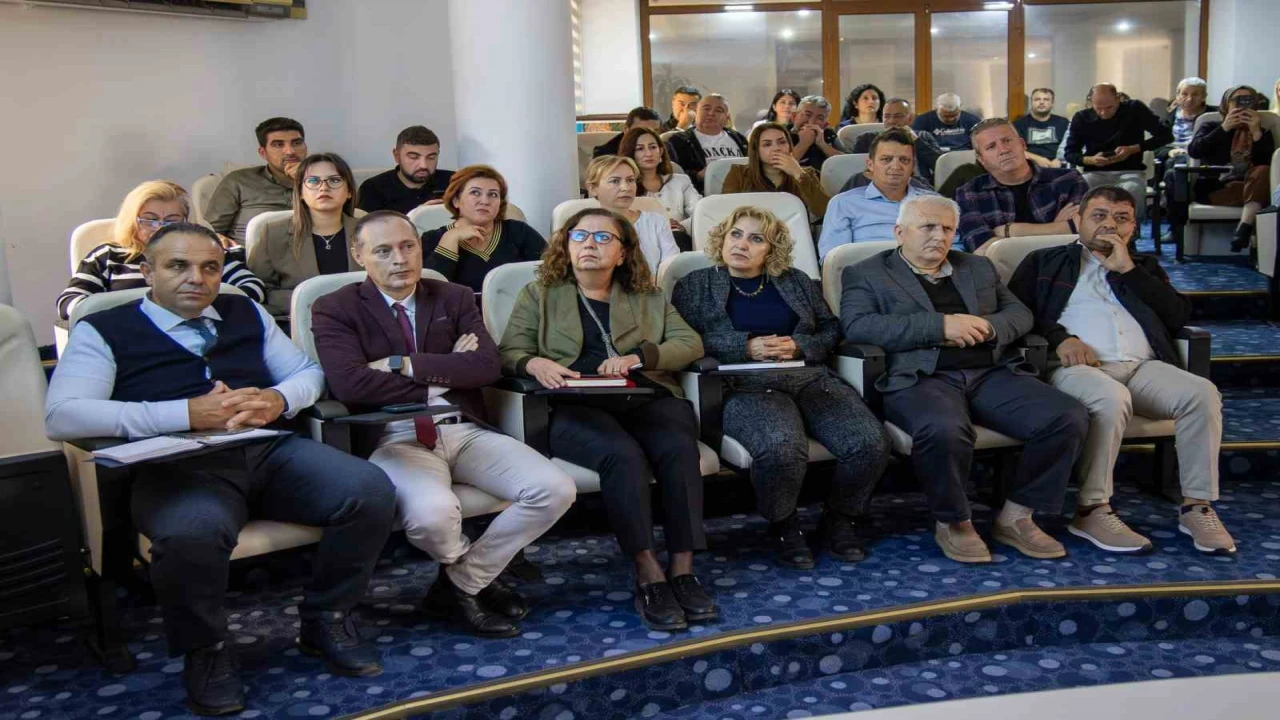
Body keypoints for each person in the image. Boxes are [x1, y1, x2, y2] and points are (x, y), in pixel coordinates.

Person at [45, 223, 396, 715]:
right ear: (147, 271)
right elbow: (63, 415)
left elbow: (307, 374)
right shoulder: (103, 328)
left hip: (267, 451)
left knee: (369, 489)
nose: (197, 278)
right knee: (191, 533)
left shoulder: (244, 310)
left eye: (210, 267)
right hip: (176, 465)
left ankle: (327, 617)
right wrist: (184, 413)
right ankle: (206, 650)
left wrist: (277, 399)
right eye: (178, 265)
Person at [311, 210, 576, 637]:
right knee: (432, 516)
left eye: (408, 246)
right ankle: (474, 579)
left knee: (555, 489)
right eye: (383, 251)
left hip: (463, 427)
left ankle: (461, 583)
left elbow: (486, 367)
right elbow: (350, 385)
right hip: (395, 437)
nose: (400, 259)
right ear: (359, 256)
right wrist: (448, 368)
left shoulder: (453, 296)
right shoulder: (334, 307)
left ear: (421, 248)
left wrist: (402, 364)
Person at [498, 207, 716, 631]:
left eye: (602, 238)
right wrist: (533, 363)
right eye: (579, 237)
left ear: (623, 252)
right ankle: (647, 571)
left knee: (677, 446)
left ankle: (683, 569)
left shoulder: (647, 296)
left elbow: (689, 343)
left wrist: (641, 357)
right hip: (571, 403)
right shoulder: (539, 294)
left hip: (643, 395)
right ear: (566, 245)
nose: (589, 245)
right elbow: (509, 352)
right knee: (622, 455)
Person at [840, 195, 1088, 564]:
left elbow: (1020, 314)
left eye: (947, 229)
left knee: (1067, 416)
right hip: (921, 376)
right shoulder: (866, 272)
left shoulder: (977, 267)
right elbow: (859, 326)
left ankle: (1018, 516)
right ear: (899, 232)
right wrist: (940, 326)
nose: (938, 236)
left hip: (991, 372)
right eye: (927, 227)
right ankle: (954, 520)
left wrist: (988, 327)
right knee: (943, 429)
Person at [1008, 186, 1234, 555]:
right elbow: (1015, 315)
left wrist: (1127, 269)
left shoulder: (1142, 267)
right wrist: (1060, 338)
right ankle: (1092, 508)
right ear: (1078, 220)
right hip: (1077, 369)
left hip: (1144, 366)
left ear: (1133, 227)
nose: (1109, 225)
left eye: (1121, 218)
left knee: (1201, 393)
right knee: (1111, 398)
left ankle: (1197, 506)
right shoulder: (1045, 261)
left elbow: (1177, 317)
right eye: (1099, 216)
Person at [671, 206, 890, 568]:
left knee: (869, 442)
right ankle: (784, 523)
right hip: (742, 383)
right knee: (782, 449)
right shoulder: (695, 284)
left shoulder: (796, 281)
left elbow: (831, 328)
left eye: (756, 238)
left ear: (772, 249)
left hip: (809, 377)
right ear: (722, 238)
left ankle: (840, 517)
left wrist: (801, 346)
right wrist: (744, 346)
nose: (741, 244)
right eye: (735, 234)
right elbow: (684, 340)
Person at [57, 180, 264, 322]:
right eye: (149, 220)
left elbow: (253, 288)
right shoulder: (107, 256)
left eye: (172, 221)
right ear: (132, 220)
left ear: (186, 222)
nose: (159, 228)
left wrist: (198, 305)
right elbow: (69, 302)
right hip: (127, 338)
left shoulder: (206, 253)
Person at [247, 152, 361, 316]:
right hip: (299, 320)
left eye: (335, 180)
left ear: (349, 191)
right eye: (313, 181)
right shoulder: (273, 234)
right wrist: (311, 301)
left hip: (361, 320)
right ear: (300, 192)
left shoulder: (369, 231)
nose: (324, 187)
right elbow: (261, 290)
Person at [955, 118, 1089, 253]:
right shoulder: (968, 194)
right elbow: (983, 249)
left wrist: (1011, 231)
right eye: (991, 147)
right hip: (1004, 267)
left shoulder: (1069, 180)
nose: (1003, 150)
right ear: (981, 159)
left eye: (1007, 140)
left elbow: (1086, 229)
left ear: (1022, 144)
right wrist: (1058, 229)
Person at [419, 165, 546, 293]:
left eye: (493, 194)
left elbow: (552, 270)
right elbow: (429, 293)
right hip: (460, 307)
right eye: (475, 193)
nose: (485, 201)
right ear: (456, 200)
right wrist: (451, 238)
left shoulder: (519, 231)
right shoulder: (431, 239)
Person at [818, 128, 935, 261]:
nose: (896, 166)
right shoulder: (843, 203)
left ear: (912, 166)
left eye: (904, 160)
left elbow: (952, 250)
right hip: (867, 271)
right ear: (870, 164)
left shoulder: (934, 204)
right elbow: (833, 258)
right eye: (886, 159)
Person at [1061, 83, 1173, 219]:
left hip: (1130, 171)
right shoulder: (1081, 118)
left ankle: (1131, 229)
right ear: (1091, 103)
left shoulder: (1134, 109)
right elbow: (1070, 153)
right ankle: (1089, 228)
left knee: (1132, 190)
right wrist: (1090, 160)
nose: (1104, 113)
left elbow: (1166, 136)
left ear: (1117, 99)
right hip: (1094, 172)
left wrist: (1133, 149)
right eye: (1098, 108)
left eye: (1109, 107)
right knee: (1082, 189)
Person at [1186, 85, 1275, 251]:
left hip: (1251, 185)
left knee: (1262, 172)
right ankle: (1246, 229)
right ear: (1226, 104)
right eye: (1237, 100)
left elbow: (1269, 164)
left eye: (1248, 100)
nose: (1242, 105)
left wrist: (1256, 132)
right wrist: (1224, 128)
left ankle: (1243, 229)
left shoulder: (1263, 132)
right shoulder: (1210, 127)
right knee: (1262, 191)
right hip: (1218, 187)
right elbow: (1195, 151)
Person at [206, 117, 307, 243]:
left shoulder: (323, 180)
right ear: (263, 153)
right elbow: (209, 231)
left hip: (309, 251)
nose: (290, 151)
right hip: (249, 252)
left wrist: (307, 179)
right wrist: (220, 240)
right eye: (278, 145)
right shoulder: (238, 181)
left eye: (296, 143)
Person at [585, 155, 681, 274]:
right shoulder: (584, 228)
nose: (626, 188)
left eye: (630, 180)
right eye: (615, 181)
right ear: (593, 188)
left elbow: (672, 267)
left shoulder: (655, 221)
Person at [723, 123, 830, 219]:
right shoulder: (738, 173)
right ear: (756, 151)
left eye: (782, 142)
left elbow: (824, 212)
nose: (776, 148)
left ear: (789, 146)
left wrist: (797, 173)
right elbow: (725, 212)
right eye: (767, 144)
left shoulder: (806, 173)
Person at [620, 126, 701, 243]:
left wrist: (680, 226)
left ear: (661, 151)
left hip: (681, 238)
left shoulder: (681, 181)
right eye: (640, 149)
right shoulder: (624, 187)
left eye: (653, 147)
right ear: (630, 154)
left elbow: (700, 211)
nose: (648, 153)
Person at [357, 125, 455, 214]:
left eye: (431, 157)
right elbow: (366, 227)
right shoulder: (373, 189)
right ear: (397, 156)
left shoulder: (453, 181)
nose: (424, 165)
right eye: (414, 157)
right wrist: (418, 214)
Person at [849, 98, 945, 185]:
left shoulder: (923, 136)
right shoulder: (866, 139)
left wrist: (916, 140)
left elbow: (941, 166)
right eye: (887, 116)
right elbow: (855, 170)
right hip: (878, 186)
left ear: (910, 119)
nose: (891, 121)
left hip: (919, 187)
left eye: (898, 116)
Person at [667, 94, 749, 194]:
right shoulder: (678, 141)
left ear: (726, 117)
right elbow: (671, 175)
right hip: (700, 195)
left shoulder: (739, 139)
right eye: (706, 108)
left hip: (741, 193)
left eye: (718, 110)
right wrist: (698, 176)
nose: (711, 113)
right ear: (696, 112)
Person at [1013, 88, 1069, 165]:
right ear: (1031, 102)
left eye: (1046, 99)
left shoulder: (1063, 123)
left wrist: (1059, 160)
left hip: (1059, 165)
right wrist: (1038, 159)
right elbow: (1015, 149)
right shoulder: (1019, 124)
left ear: (1052, 103)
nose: (1041, 102)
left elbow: (1071, 146)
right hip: (1031, 165)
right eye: (1037, 99)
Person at [789, 95, 843, 172]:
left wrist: (822, 144)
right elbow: (779, 168)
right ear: (794, 116)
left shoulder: (829, 135)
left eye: (820, 118)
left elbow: (847, 163)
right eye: (807, 115)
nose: (811, 122)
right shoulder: (782, 133)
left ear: (825, 125)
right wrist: (804, 143)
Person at [913, 93, 981, 151]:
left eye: (954, 115)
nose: (951, 119)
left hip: (963, 155)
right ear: (937, 109)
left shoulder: (972, 120)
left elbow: (980, 143)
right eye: (946, 116)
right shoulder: (922, 121)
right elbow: (916, 144)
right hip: (934, 155)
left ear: (960, 108)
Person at [592, 106, 666, 158]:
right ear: (626, 130)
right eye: (641, 131)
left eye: (654, 132)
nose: (648, 135)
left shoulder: (665, 148)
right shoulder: (605, 154)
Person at [1163, 77, 1215, 147]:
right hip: (1171, 151)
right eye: (1184, 94)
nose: (1189, 99)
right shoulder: (1172, 113)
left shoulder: (1212, 116)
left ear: (1204, 96)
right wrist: (1169, 151)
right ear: (1177, 95)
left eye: (1195, 94)